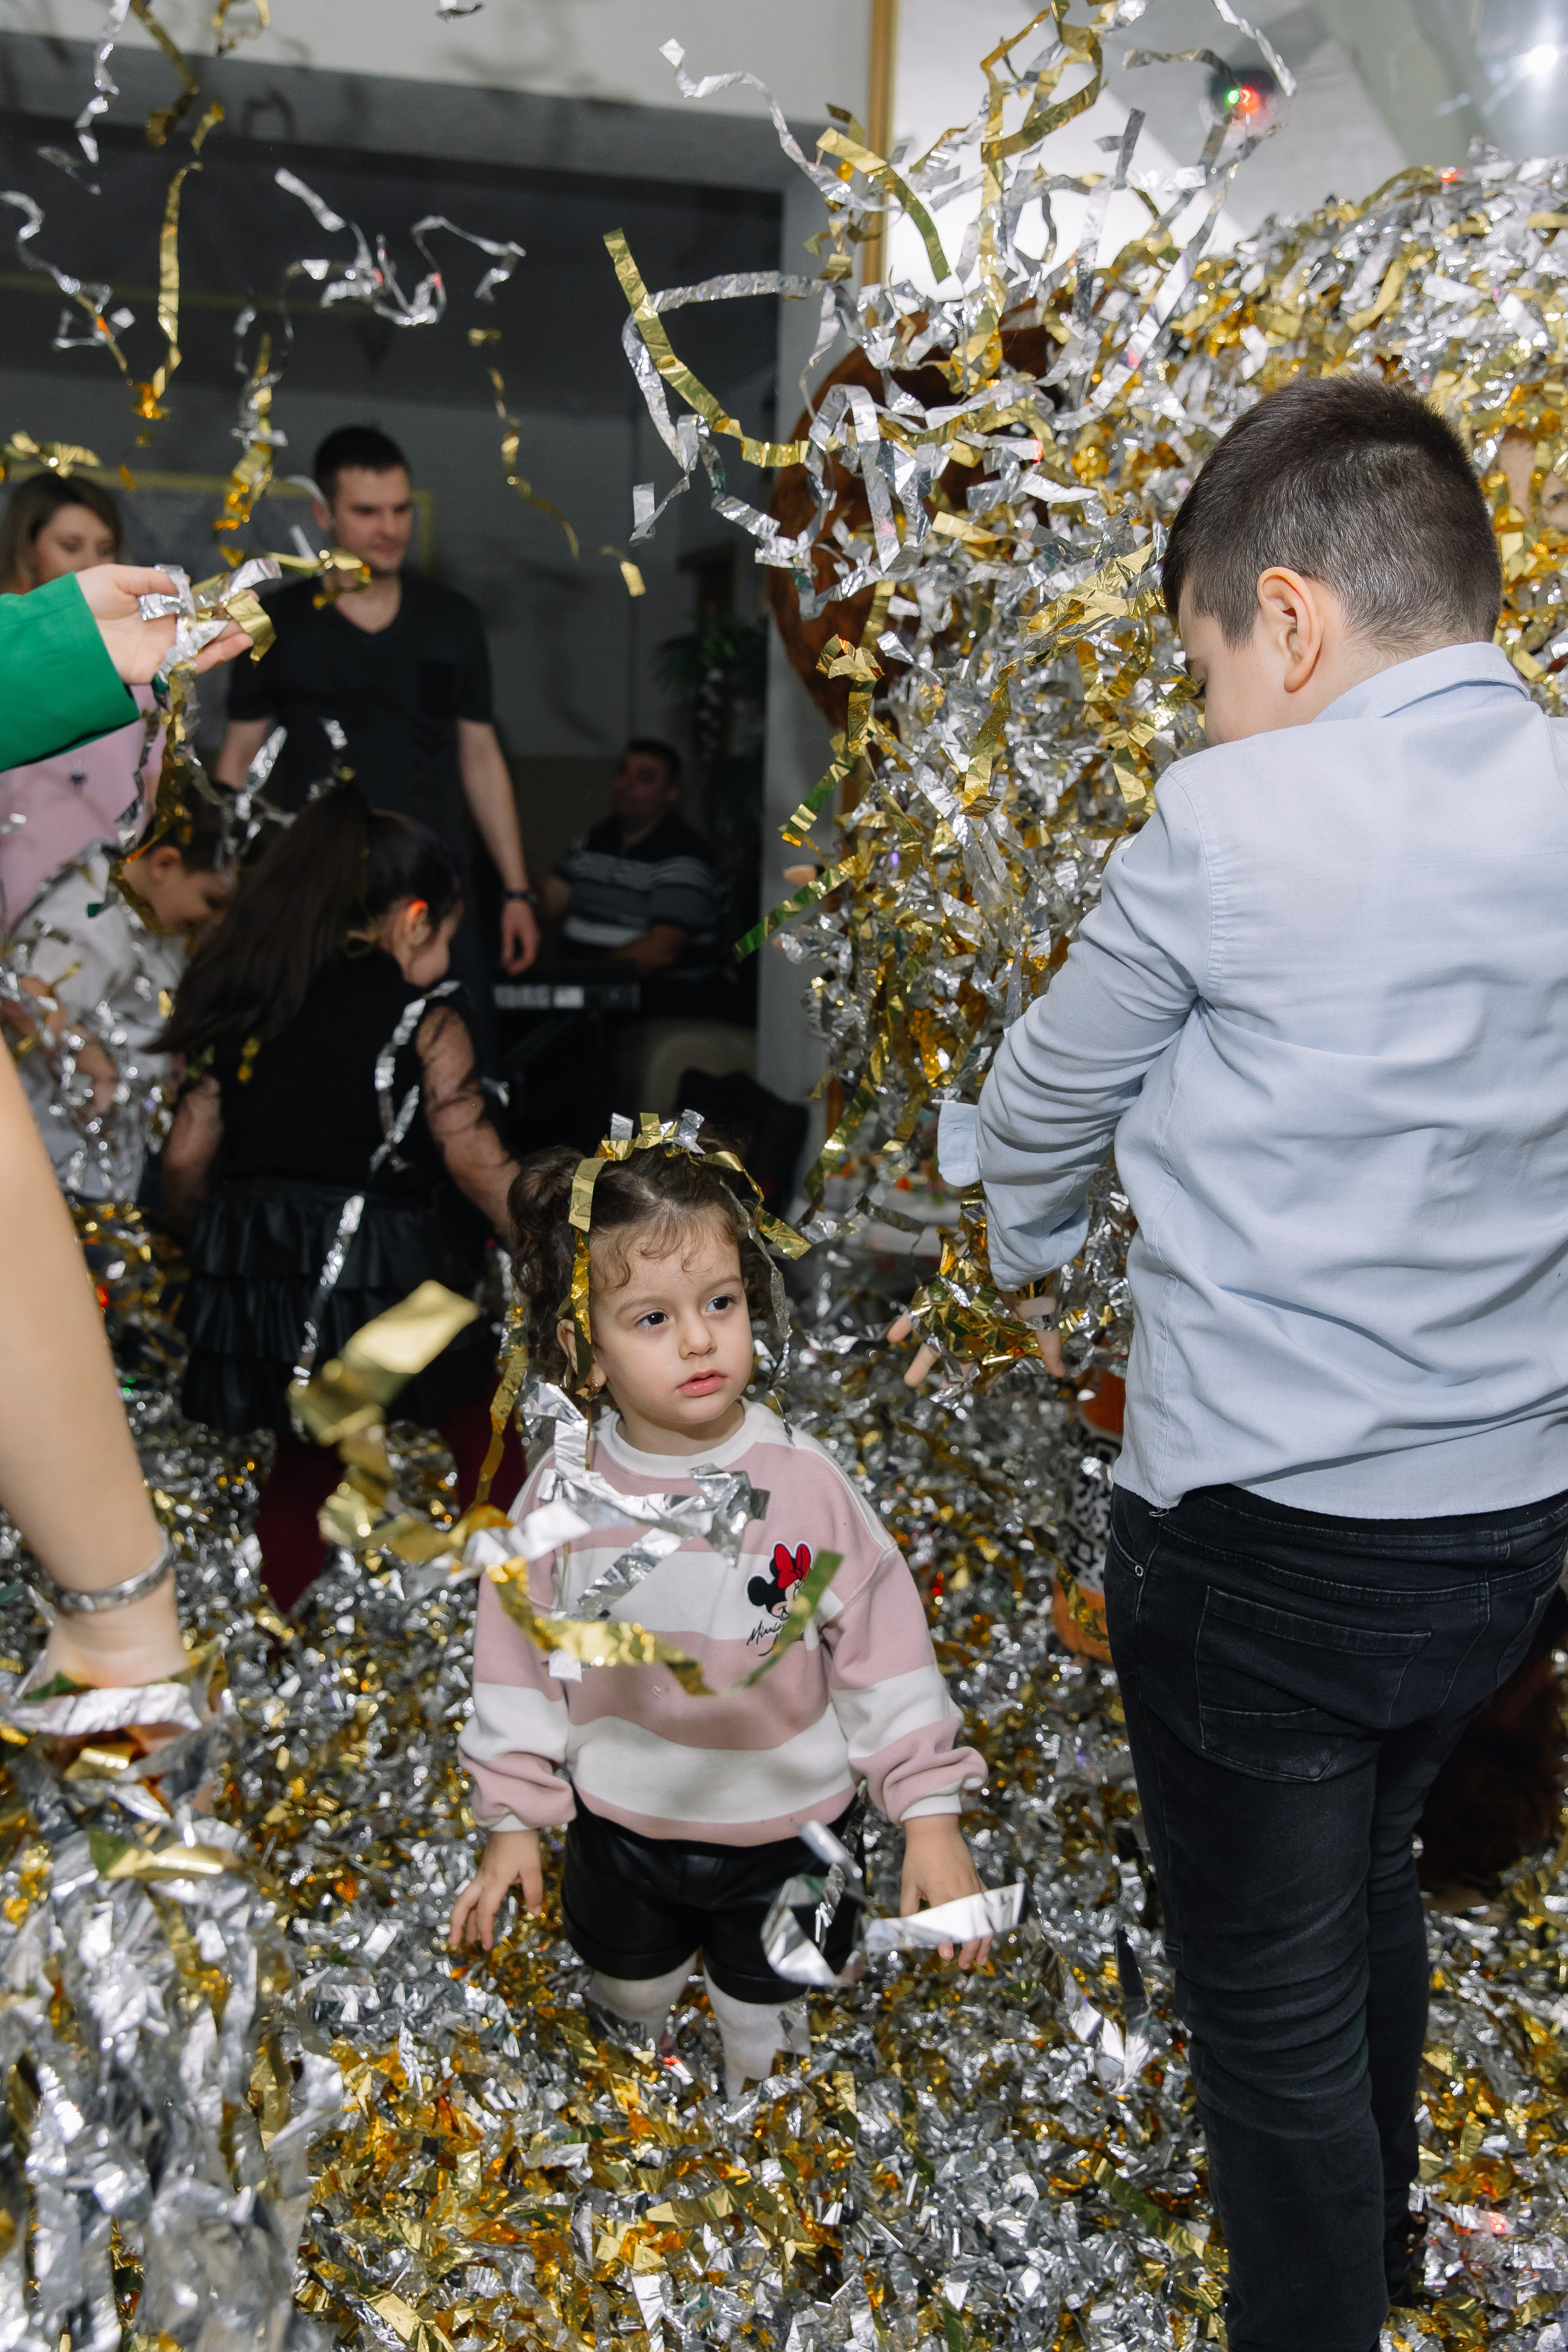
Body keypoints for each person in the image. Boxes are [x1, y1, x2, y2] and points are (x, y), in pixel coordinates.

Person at [930, 374, 1568, 2350]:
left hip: (1259, 1559)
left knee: (1270, 2027)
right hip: (1503, 1542)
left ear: (1286, 621)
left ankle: (1323, 2315)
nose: (1203, 717)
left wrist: (1021, 1242)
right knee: (1372, 1865)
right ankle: (1372, 2258)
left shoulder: (1234, 820)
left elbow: (1040, 1103)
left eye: (1205, 665)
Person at [448, 1131, 989, 2099]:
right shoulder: (559, 1504)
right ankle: (647, 2134)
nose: (699, 1340)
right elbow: (516, 1669)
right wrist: (514, 1820)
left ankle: (761, 2122)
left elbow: (885, 1657)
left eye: (721, 1303)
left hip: (804, 1839)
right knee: (627, 1996)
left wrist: (932, 1815)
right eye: (651, 1317)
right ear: (585, 1349)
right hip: (624, 1832)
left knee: (778, 2027)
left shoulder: (806, 1485)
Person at [160, 785, 523, 1609]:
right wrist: (554, 1241)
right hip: (389, 1272)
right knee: (481, 1431)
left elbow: (186, 1157)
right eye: (449, 939)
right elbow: (470, 1154)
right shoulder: (426, 1013)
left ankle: (285, 1632)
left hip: (259, 1271)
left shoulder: (251, 1004)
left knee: (305, 1459)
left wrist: (204, 1243)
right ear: (415, 918)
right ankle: (516, 1611)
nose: (444, 959)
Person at [214, 423, 540, 1061]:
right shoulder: (273, 623)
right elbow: (236, 762)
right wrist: (224, 883)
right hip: (319, 886)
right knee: (318, 1065)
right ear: (325, 515)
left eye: (400, 509)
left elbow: (480, 756)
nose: (390, 528)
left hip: (436, 885)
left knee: (459, 1066)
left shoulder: (452, 620)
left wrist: (517, 891)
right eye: (367, 512)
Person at [4, 795, 231, 1205]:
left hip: (107, 1167)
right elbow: (20, 995)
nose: (213, 920)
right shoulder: (92, 909)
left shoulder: (158, 922)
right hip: (52, 1166)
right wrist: (92, 1060)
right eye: (211, 900)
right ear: (164, 864)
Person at [0, 476, 163, 930]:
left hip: (111, 902)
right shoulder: (7, 658)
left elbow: (162, 789)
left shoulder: (143, 669)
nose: (91, 564)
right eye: (71, 546)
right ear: (26, 548)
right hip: (16, 889)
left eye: (104, 548)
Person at [545, 739, 725, 1010]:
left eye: (645, 778)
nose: (626, 785)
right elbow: (550, 899)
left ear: (672, 793)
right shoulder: (595, 839)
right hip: (581, 990)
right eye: (622, 772)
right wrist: (513, 885)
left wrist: (579, 980)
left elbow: (660, 952)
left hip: (652, 995)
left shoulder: (685, 855)